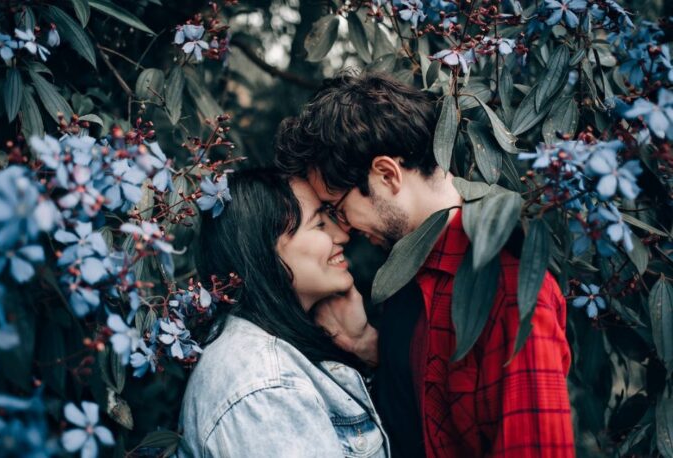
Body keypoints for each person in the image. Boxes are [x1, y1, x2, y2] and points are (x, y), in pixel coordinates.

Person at [275, 71, 575, 457]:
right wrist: (370, 348)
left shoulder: (510, 289)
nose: (343, 230)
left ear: (386, 174)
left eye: (339, 209)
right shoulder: (405, 276)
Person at [178, 168, 390, 457]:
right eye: (319, 225)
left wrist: (363, 344)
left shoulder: (271, 358)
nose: (342, 235)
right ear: (266, 250)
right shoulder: (266, 390)